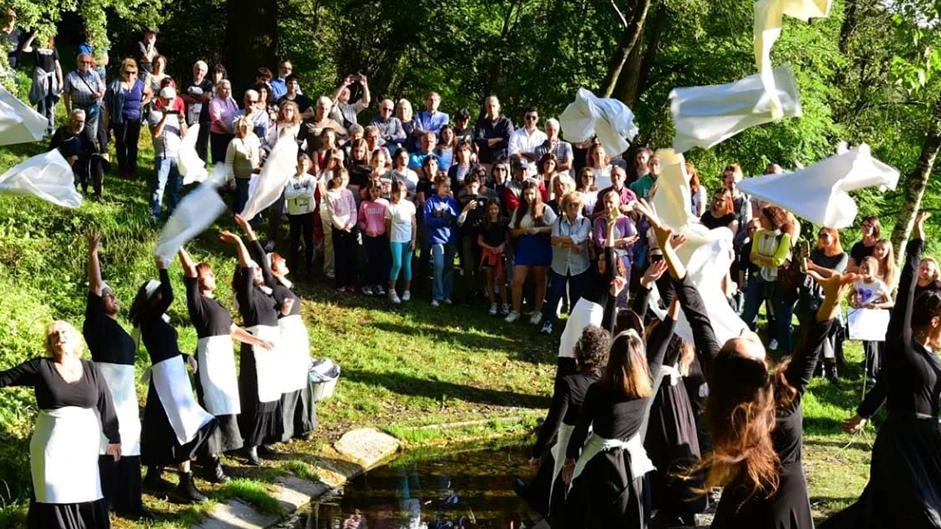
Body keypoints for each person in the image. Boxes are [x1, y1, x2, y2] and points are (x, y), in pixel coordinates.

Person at [639, 198, 856, 529]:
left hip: (741, 497)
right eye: (749, 341)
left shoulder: (723, 382)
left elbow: (697, 313)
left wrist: (669, 251)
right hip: (784, 500)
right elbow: (811, 345)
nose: (747, 333)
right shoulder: (783, 395)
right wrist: (831, 299)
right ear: (758, 364)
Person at [824, 212, 941, 529]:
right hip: (902, 440)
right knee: (916, 512)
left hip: (929, 443)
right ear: (933, 321)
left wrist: (863, 413)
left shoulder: (933, 358)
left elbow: (890, 382)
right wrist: (916, 243)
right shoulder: (903, 347)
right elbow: (904, 297)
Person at [561, 283, 679, 528]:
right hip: (631, 464)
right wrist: (678, 297)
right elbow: (667, 333)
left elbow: (582, 429)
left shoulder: (599, 390)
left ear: (612, 355)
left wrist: (570, 460)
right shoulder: (647, 381)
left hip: (598, 464)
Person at [0, 320, 121, 529]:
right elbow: (5, 378)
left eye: (64, 332)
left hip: (84, 445)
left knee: (86, 490)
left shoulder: (91, 369)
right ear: (50, 343)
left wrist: (114, 437)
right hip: (51, 445)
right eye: (54, 335)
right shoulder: (40, 367)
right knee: (54, 493)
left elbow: (105, 402)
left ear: (74, 337)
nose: (59, 337)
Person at [177, 247, 272, 482]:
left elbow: (232, 330)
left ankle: (210, 455)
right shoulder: (197, 302)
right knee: (212, 408)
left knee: (226, 407)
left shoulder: (217, 305)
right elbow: (188, 271)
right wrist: (179, 245)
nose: (213, 277)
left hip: (224, 358)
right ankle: (210, 462)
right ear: (199, 280)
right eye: (208, 275)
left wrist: (257, 340)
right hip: (209, 357)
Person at [132, 258, 216, 503]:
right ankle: (185, 483)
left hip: (171, 372)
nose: (164, 297)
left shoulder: (156, 320)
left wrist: (184, 356)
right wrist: (163, 267)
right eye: (159, 293)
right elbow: (169, 294)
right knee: (186, 426)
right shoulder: (149, 317)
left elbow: (164, 346)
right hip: (168, 377)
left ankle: (154, 473)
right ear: (153, 297)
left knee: (161, 426)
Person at [83, 233, 149, 520]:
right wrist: (93, 253)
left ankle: (131, 501)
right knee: (106, 443)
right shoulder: (95, 324)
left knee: (130, 443)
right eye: (109, 295)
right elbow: (96, 285)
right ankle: (105, 501)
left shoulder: (121, 330)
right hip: (106, 393)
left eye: (114, 294)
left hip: (126, 396)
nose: (114, 297)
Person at [235, 216, 318, 444]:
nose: (284, 261)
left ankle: (303, 423)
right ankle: (285, 428)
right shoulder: (272, 285)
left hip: (296, 334)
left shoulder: (283, 286)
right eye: (280, 260)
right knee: (288, 380)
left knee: (301, 378)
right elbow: (260, 256)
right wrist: (248, 231)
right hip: (284, 335)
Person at [523, 325, 610, 521]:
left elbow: (553, 423)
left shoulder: (569, 383)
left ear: (578, 350)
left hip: (569, 442)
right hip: (594, 446)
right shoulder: (605, 381)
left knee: (560, 498)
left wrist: (536, 453)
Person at [219, 231, 285, 465]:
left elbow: (272, 311)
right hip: (257, 346)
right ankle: (251, 444)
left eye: (259, 269)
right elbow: (247, 265)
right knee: (257, 394)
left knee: (271, 393)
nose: (258, 271)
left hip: (272, 345)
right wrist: (239, 242)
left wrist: (282, 312)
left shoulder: (264, 293)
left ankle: (264, 437)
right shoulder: (246, 295)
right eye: (254, 270)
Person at [797, 226, 848, 384]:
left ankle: (831, 368)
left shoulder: (842, 256)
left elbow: (835, 274)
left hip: (829, 297)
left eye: (826, 235)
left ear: (834, 237)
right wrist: (804, 262)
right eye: (820, 235)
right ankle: (819, 367)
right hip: (812, 296)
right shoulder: (816, 253)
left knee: (827, 333)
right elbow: (806, 270)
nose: (822, 238)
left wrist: (814, 267)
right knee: (812, 331)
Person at [740, 206, 793, 344]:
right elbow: (752, 257)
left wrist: (762, 258)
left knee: (778, 314)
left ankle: (782, 345)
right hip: (759, 277)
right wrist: (769, 259)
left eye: (763, 217)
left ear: (771, 219)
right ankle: (744, 340)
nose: (760, 220)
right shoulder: (759, 234)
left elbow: (779, 261)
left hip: (777, 280)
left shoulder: (784, 237)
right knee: (749, 311)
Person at [506, 180, 556, 324]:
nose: (529, 197)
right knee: (517, 281)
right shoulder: (519, 210)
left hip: (540, 245)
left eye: (531, 194)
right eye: (526, 194)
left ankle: (537, 312)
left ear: (537, 194)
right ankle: (515, 311)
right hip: (524, 247)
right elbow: (512, 231)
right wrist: (523, 231)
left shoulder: (545, 209)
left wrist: (539, 229)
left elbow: (555, 226)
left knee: (540, 281)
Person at [541, 191, 591, 335]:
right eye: (570, 205)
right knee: (554, 295)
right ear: (565, 207)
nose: (573, 207)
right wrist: (574, 243)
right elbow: (553, 240)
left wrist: (564, 241)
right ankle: (548, 322)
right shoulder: (558, 221)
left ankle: (573, 326)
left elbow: (580, 237)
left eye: (576, 205)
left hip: (579, 266)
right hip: (559, 265)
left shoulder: (585, 222)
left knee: (576, 297)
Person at [103, 58, 151, 179]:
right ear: (122, 72)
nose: (130, 75)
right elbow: (107, 104)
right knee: (121, 143)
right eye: (127, 72)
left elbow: (150, 92)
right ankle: (122, 169)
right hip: (119, 119)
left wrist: (143, 102)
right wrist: (106, 122)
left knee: (133, 144)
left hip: (135, 119)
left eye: (133, 72)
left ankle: (132, 168)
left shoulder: (139, 84)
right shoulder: (115, 84)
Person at [852, 256, 894, 384]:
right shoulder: (858, 281)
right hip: (861, 316)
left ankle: (873, 374)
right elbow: (852, 294)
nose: (864, 271)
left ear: (874, 270)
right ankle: (871, 371)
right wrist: (853, 302)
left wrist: (877, 305)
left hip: (875, 318)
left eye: (867, 268)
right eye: (862, 267)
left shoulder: (879, 284)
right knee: (866, 344)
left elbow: (890, 303)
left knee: (873, 345)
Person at [147, 86, 186, 222]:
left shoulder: (177, 115)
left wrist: (181, 121)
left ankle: (172, 214)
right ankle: (154, 214)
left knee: (175, 187)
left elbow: (186, 135)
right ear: (161, 99)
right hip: (162, 154)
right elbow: (156, 133)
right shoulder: (154, 114)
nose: (170, 102)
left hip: (177, 155)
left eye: (172, 99)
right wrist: (165, 117)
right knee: (159, 185)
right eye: (167, 99)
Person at [50, 109, 106, 199]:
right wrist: (64, 159)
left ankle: (98, 193)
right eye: (77, 121)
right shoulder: (62, 132)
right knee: (72, 185)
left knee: (98, 160)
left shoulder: (88, 131)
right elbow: (50, 150)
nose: (79, 124)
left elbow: (93, 151)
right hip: (66, 163)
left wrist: (79, 157)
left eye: (82, 122)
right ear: (70, 120)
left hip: (84, 163)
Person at [424, 174, 460, 306]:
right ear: (438, 186)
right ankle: (437, 295)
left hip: (450, 238)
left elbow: (456, 218)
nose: (447, 189)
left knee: (448, 267)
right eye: (445, 186)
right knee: (438, 266)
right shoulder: (430, 202)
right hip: (437, 238)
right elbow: (428, 220)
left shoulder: (452, 202)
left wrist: (449, 215)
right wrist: (444, 220)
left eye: (448, 186)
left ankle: (447, 295)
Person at [283, 153, 317, 277]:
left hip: (307, 212)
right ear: (297, 165)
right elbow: (287, 195)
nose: (303, 167)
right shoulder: (291, 180)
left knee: (309, 241)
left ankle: (309, 268)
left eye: (305, 165)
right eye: (301, 164)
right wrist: (301, 191)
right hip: (295, 213)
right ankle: (293, 269)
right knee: (294, 241)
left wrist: (296, 192)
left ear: (309, 166)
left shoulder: (311, 179)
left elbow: (309, 194)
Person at [62, 52, 105, 151]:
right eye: (83, 62)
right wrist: (68, 110)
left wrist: (98, 95)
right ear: (78, 62)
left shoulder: (95, 75)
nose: (85, 64)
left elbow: (102, 90)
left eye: (88, 62)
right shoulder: (70, 76)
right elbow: (66, 94)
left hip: (92, 107)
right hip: (78, 107)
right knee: (76, 130)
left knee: (91, 132)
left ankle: (90, 150)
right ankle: (76, 149)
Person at [22, 33, 61, 135]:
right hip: (40, 78)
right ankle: (40, 128)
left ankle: (50, 128)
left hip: (51, 79)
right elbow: (25, 48)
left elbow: (57, 66)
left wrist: (60, 81)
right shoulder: (37, 48)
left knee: (50, 105)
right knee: (42, 104)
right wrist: (33, 36)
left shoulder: (53, 49)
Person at [326, 167, 359, 292]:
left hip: (350, 228)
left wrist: (350, 224)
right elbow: (332, 214)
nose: (342, 181)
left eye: (345, 179)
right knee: (340, 256)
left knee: (351, 255)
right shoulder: (330, 195)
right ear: (334, 179)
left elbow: (353, 210)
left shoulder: (348, 193)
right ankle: (341, 282)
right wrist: (341, 226)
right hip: (338, 229)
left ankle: (352, 282)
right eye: (340, 178)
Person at [386, 179, 417, 303]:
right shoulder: (391, 208)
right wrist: (390, 240)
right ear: (393, 193)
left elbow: (414, 224)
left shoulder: (410, 205)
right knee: (397, 264)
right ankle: (391, 290)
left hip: (408, 240)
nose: (400, 194)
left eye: (402, 191)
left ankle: (406, 290)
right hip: (396, 240)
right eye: (397, 192)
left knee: (407, 266)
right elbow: (388, 226)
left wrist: (414, 240)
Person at [478, 198, 510, 315]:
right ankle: (493, 303)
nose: (493, 211)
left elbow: (507, 239)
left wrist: (502, 246)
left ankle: (505, 303)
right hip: (488, 254)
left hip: (500, 255)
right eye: (491, 209)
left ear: (499, 209)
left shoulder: (504, 222)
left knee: (501, 279)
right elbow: (479, 241)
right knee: (489, 279)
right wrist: (490, 248)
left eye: (495, 209)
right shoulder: (484, 223)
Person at [225, 116, 262, 215]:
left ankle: (255, 220)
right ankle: (239, 219)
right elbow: (228, 163)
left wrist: (261, 154)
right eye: (244, 127)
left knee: (253, 198)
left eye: (249, 126)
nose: (247, 129)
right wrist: (231, 180)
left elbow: (258, 150)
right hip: (241, 177)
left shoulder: (254, 138)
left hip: (254, 175)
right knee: (242, 201)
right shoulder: (234, 143)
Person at [359, 182, 390, 295]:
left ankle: (379, 284)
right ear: (369, 192)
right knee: (369, 260)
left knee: (381, 260)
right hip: (369, 236)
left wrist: (387, 232)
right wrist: (365, 227)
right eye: (372, 191)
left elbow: (388, 219)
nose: (375, 193)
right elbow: (360, 219)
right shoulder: (364, 204)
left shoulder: (385, 203)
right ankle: (367, 284)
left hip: (381, 236)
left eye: (377, 190)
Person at [179, 61, 213, 159]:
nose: (199, 72)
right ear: (194, 70)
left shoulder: (208, 83)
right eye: (197, 69)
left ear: (205, 73)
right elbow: (182, 96)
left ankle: (202, 170)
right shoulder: (187, 82)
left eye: (202, 70)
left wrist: (190, 96)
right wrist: (197, 99)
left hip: (204, 119)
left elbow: (206, 97)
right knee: (187, 143)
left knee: (202, 146)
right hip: (187, 119)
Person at [474, 96, 514, 168]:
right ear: (486, 108)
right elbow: (478, 141)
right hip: (486, 163)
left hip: (502, 163)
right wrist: (498, 140)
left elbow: (509, 141)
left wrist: (488, 143)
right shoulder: (481, 124)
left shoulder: (506, 123)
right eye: (489, 106)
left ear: (498, 107)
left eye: (493, 106)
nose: (491, 108)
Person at [209, 79, 240, 165]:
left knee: (231, 162)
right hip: (219, 137)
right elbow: (218, 121)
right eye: (224, 88)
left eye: (229, 89)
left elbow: (237, 114)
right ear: (218, 89)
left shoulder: (232, 101)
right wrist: (230, 132)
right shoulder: (214, 103)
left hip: (231, 135)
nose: (227, 91)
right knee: (220, 163)